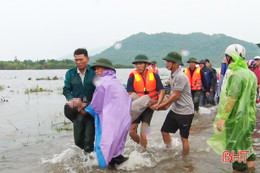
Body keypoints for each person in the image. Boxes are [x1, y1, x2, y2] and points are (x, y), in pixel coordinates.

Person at [207, 44, 257, 172]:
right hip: (249, 118)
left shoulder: (236, 75)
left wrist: (223, 118)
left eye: (227, 57)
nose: (226, 60)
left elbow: (232, 99)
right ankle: (251, 169)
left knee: (237, 150)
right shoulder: (251, 74)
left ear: (231, 57)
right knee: (247, 145)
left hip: (237, 119)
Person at [82, 58, 131, 167]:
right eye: (95, 69)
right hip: (124, 117)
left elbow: (96, 103)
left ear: (106, 69)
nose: (96, 71)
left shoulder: (102, 82)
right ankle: (118, 160)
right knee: (117, 140)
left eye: (98, 68)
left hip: (112, 118)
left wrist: (87, 110)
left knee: (104, 140)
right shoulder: (116, 81)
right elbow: (127, 99)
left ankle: (103, 164)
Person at [152, 52, 194, 155]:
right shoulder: (172, 75)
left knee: (184, 138)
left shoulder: (180, 76)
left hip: (185, 112)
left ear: (175, 63)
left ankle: (185, 160)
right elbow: (171, 95)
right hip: (175, 110)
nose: (166, 63)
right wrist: (163, 105)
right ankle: (170, 152)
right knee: (164, 131)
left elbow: (176, 95)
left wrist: (160, 106)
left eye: (168, 61)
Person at [127, 54, 165, 149]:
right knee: (131, 132)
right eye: (136, 64)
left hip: (150, 107)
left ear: (146, 64)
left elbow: (161, 91)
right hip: (138, 106)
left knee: (143, 132)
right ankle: (143, 147)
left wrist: (158, 103)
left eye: (140, 64)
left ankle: (144, 152)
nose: (138, 66)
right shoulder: (132, 77)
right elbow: (130, 94)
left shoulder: (155, 76)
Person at [62, 48, 96, 153]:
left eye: (81, 59)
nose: (78, 62)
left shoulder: (94, 72)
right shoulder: (70, 73)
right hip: (77, 111)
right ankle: (89, 158)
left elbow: (100, 92)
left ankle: (90, 162)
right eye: (76, 60)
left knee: (89, 140)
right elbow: (66, 90)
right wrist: (72, 100)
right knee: (78, 141)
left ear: (87, 59)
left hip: (91, 110)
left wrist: (88, 104)